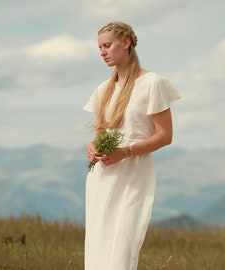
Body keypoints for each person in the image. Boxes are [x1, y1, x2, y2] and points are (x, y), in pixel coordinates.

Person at [84, 21, 180, 270]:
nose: (102, 52)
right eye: (99, 48)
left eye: (107, 45)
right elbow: (99, 134)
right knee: (98, 245)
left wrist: (125, 152)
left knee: (122, 250)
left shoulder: (152, 83)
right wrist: (92, 148)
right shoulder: (102, 89)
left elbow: (165, 135)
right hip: (103, 176)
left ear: (125, 43)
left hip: (134, 173)